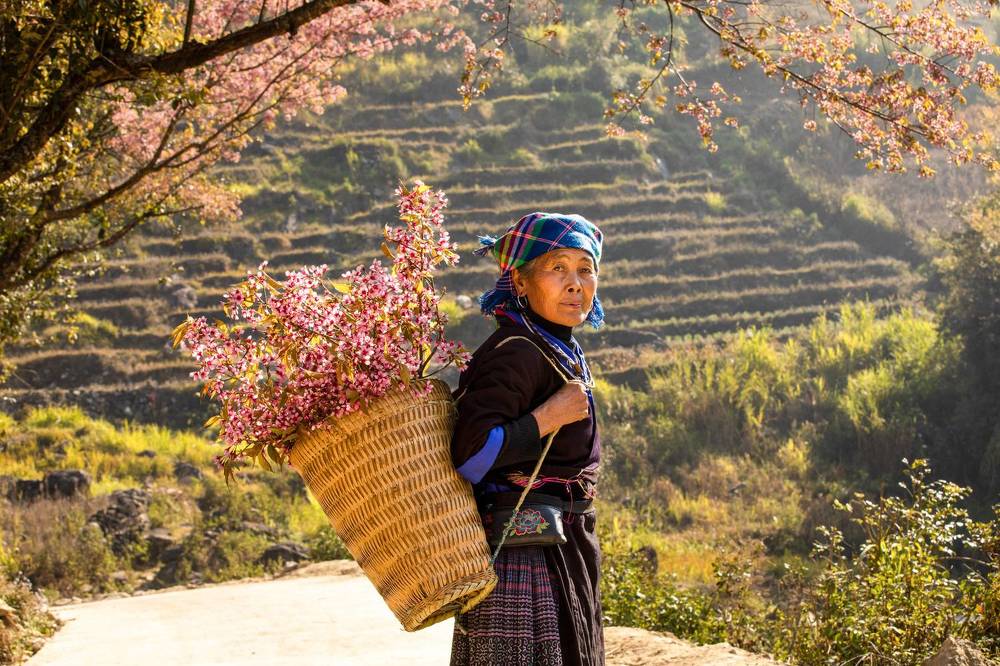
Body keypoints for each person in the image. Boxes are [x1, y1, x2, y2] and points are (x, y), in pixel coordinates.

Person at [448, 211, 606, 666]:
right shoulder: (518, 351)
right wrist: (546, 417)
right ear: (519, 281)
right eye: (558, 268)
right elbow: (470, 456)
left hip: (562, 544)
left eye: (585, 269)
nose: (575, 284)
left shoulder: (557, 346)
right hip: (525, 558)